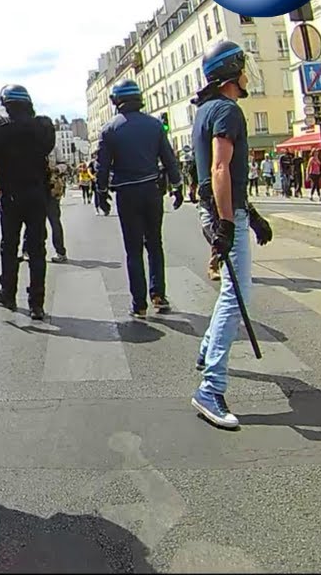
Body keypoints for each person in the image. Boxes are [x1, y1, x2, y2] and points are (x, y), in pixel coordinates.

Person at [190, 39, 268, 431]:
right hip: (222, 212)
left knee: (230, 295)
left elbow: (214, 174)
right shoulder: (228, 111)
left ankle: (206, 352)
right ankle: (211, 387)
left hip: (217, 209)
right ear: (231, 73)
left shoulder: (205, 110)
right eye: (242, 65)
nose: (246, 73)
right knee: (237, 297)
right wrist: (228, 222)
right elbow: (221, 169)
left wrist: (249, 214)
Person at [94, 79, 184, 318]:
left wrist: (101, 193)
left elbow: (102, 167)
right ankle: (159, 295)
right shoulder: (154, 125)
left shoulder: (109, 129)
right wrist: (177, 186)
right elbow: (169, 159)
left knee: (133, 249)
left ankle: (139, 303)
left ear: (116, 101)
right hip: (152, 190)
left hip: (126, 193)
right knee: (155, 243)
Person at [0, 84, 56, 321]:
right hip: (37, 194)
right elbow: (47, 146)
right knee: (37, 248)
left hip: (11, 195)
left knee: (9, 245)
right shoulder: (43, 126)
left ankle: (8, 292)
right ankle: (37, 302)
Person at [44, 162, 68, 264]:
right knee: (33, 220)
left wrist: (56, 169)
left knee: (54, 221)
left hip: (51, 188)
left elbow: (64, 165)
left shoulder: (53, 148)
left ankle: (60, 252)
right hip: (36, 186)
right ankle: (27, 250)